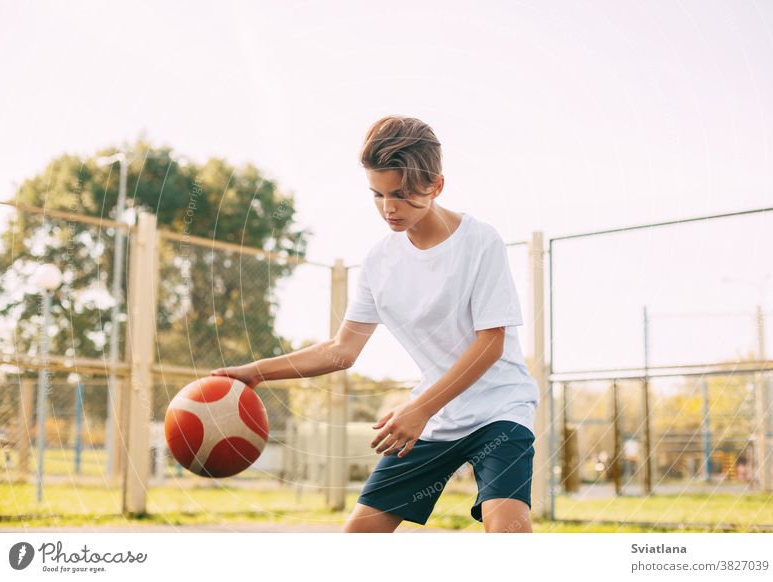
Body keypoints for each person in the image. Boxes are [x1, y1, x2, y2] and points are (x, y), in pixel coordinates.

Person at [211, 115, 540, 533]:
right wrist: (254, 373)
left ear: (436, 186)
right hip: (435, 418)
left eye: (401, 195)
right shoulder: (379, 262)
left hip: (500, 410)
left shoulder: (480, 240)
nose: (389, 208)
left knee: (508, 534)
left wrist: (419, 408)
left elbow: (491, 345)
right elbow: (340, 350)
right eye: (378, 194)